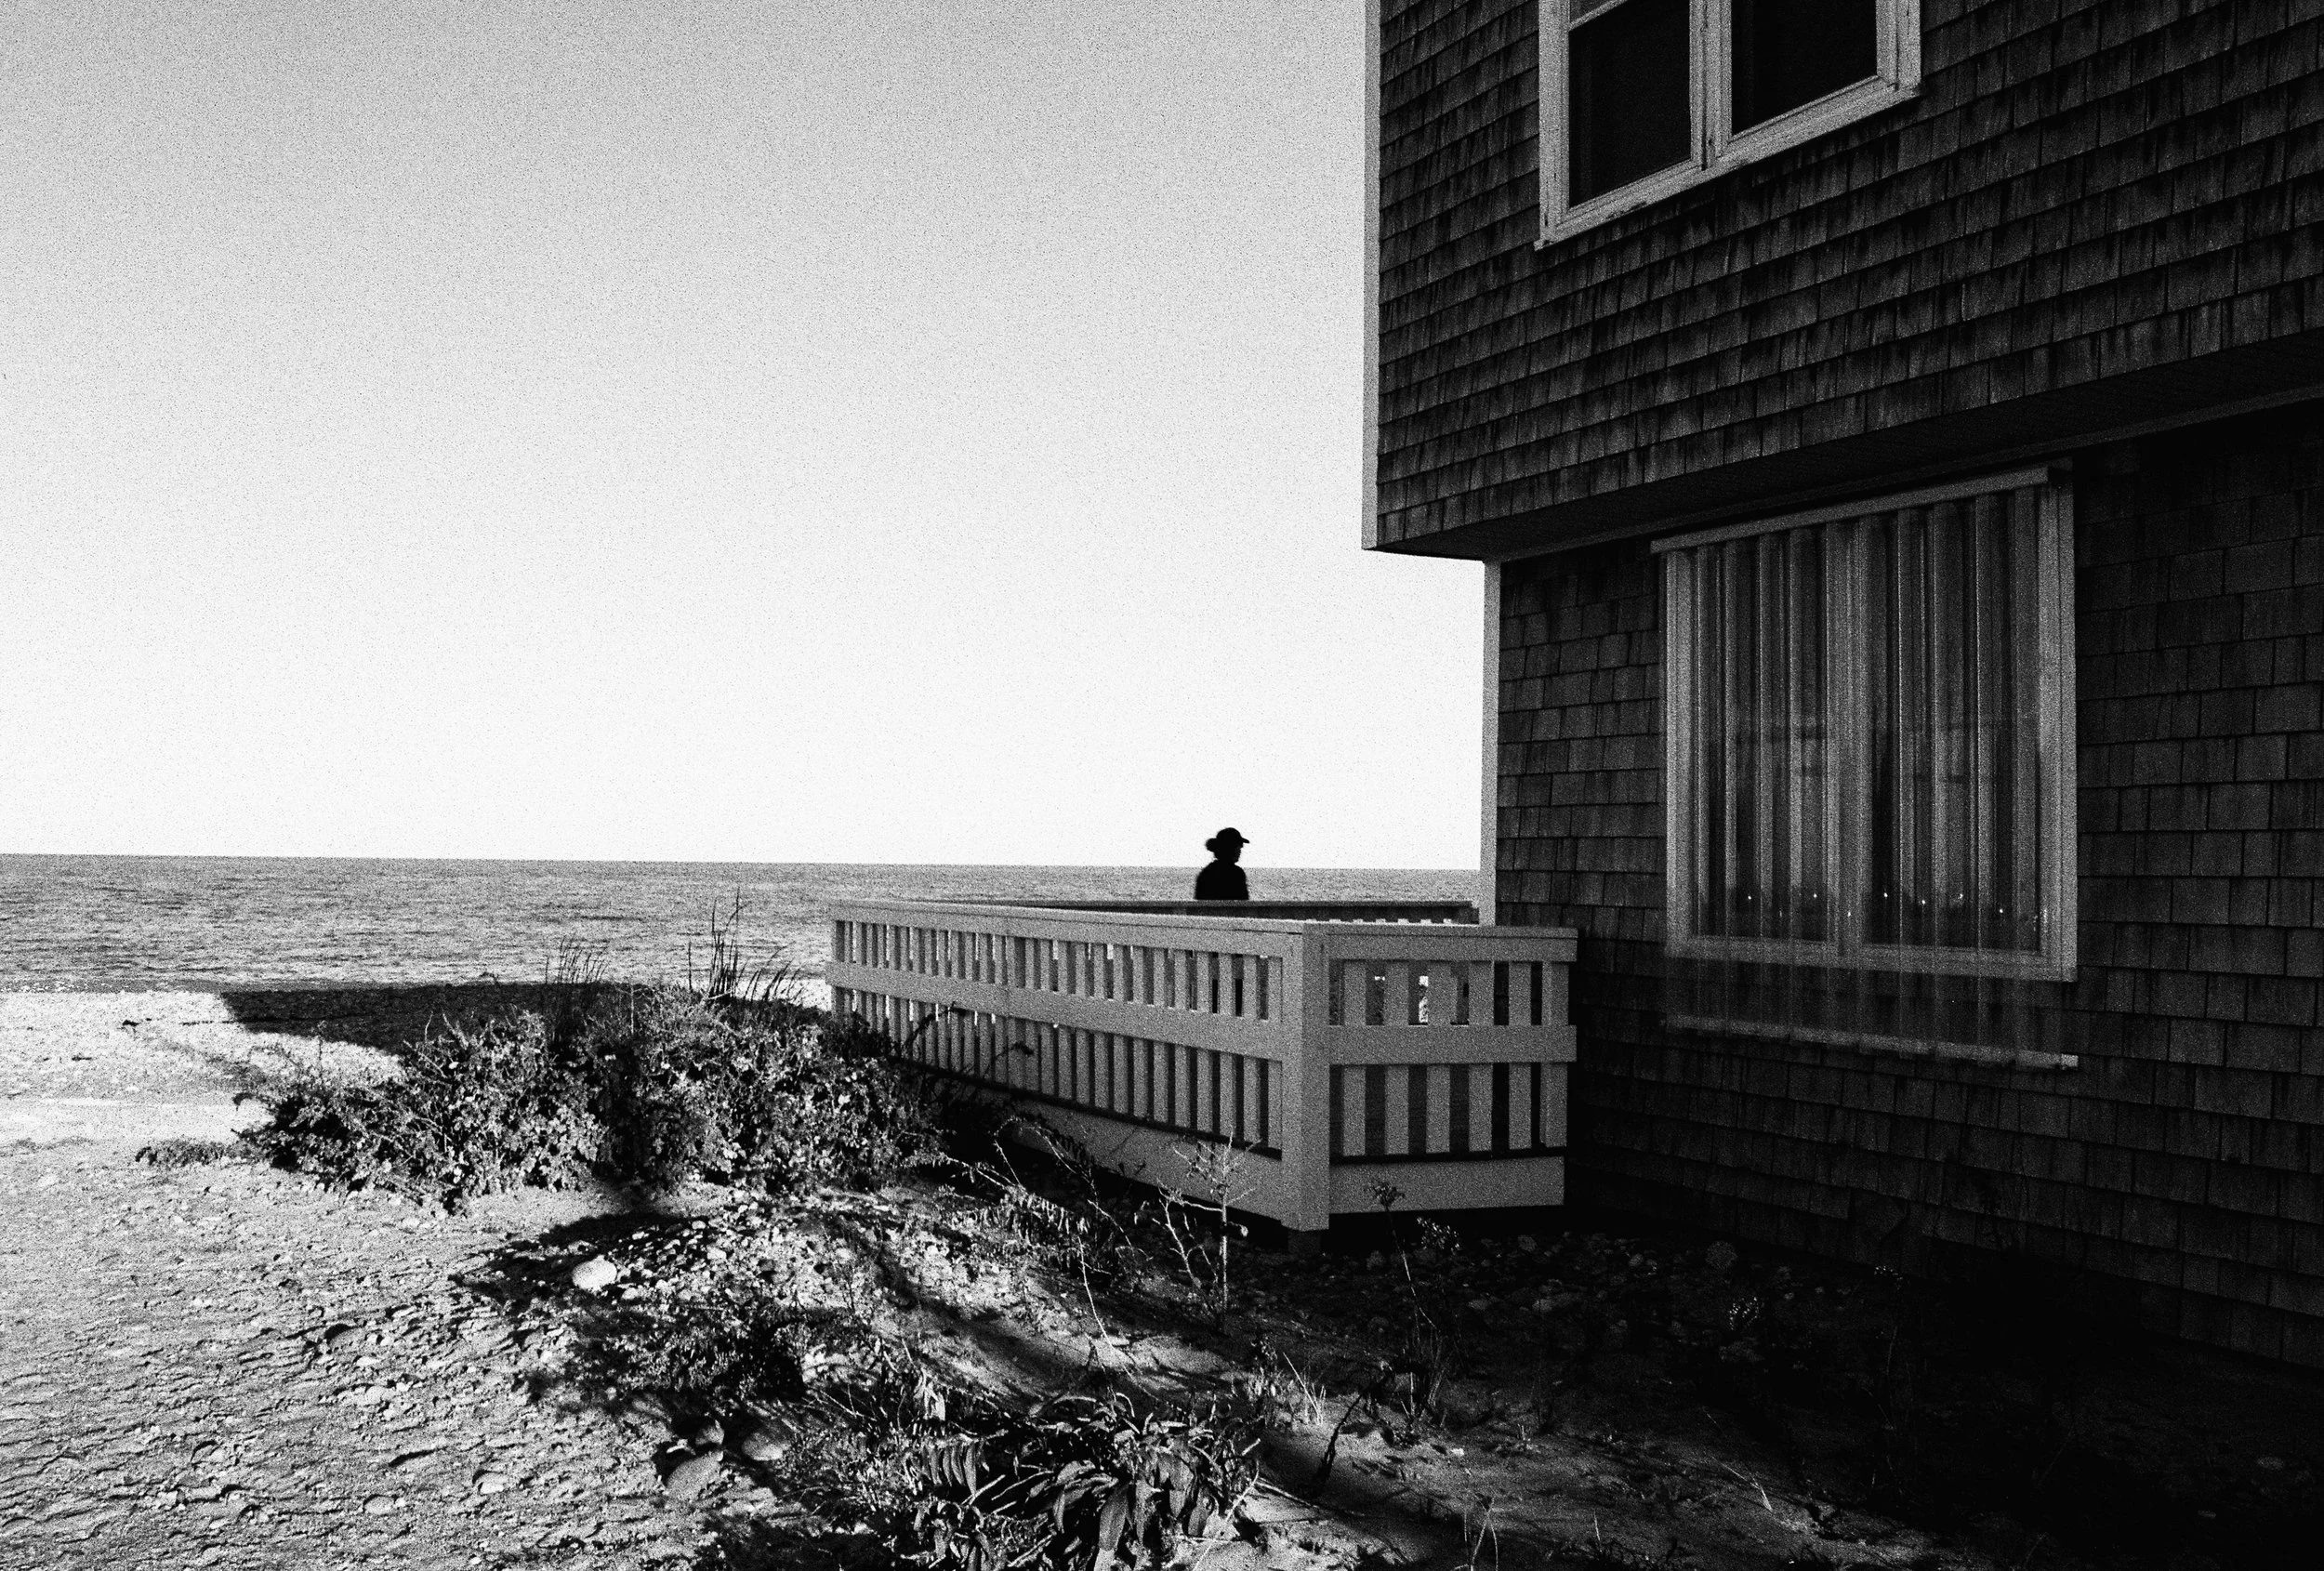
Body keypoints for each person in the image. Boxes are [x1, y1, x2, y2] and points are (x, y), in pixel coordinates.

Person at [1194, 827, 1250, 901]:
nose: (1240, 851)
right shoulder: (1237, 873)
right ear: (1230, 848)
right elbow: (1243, 903)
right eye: (1239, 847)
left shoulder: (1206, 873)